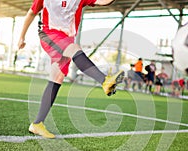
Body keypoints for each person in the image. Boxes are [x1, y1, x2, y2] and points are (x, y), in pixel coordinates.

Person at [18, 0, 124, 139]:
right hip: (48, 33)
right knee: (74, 50)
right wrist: (21, 36)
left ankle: (37, 124)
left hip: (67, 38)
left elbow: (103, 1)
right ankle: (104, 80)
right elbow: (31, 12)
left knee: (57, 78)